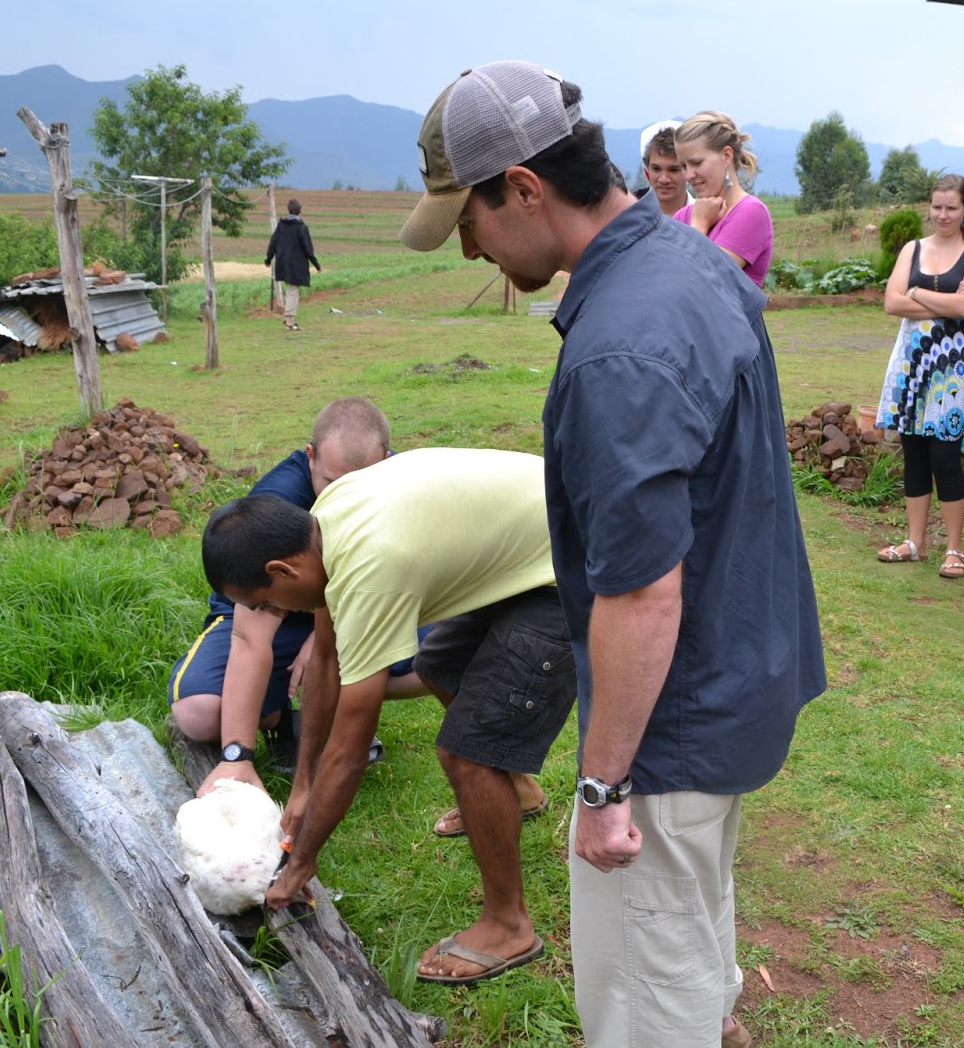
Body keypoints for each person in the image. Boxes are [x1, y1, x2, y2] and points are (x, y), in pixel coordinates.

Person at [398, 60, 825, 1048]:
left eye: (466, 220)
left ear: (523, 187)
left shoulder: (619, 345)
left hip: (670, 717)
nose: (466, 248)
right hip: (735, 677)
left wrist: (600, 788)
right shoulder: (688, 264)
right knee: (691, 916)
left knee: (641, 993)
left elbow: (639, 595)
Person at [201, 447, 574, 986]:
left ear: (283, 569)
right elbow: (325, 658)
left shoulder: (370, 571)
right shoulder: (325, 522)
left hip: (572, 565)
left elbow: (351, 752)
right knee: (439, 663)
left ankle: (508, 924)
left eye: (262, 603)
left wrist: (302, 859)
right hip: (530, 548)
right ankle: (516, 791)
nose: (265, 615)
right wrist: (302, 785)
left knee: (468, 752)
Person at [169, 398, 427, 795]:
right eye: (331, 482)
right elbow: (250, 637)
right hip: (269, 614)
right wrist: (236, 757)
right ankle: (282, 720)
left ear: (388, 460)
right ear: (310, 457)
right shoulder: (277, 501)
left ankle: (333, 719)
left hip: (355, 610)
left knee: (445, 658)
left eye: (362, 482)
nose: (347, 499)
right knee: (200, 714)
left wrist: (328, 639)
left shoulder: (409, 486)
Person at [873, 174, 964, 577]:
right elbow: (891, 303)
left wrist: (918, 293)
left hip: (952, 368)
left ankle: (955, 549)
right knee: (914, 455)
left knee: (945, 456)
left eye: (951, 208)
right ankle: (915, 542)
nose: (943, 215)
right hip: (912, 363)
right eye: (937, 207)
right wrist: (946, 301)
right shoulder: (913, 248)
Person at [672, 111, 773, 288]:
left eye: (696, 163)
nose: (688, 175)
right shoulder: (683, 215)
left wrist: (699, 225)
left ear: (726, 156)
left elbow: (707, 283)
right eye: (683, 166)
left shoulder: (751, 213)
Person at [265, 198, 321, 331]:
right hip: (296, 264)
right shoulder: (301, 227)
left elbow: (273, 243)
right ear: (300, 211)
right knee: (292, 291)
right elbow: (308, 249)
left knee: (291, 290)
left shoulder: (281, 225)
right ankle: (289, 320)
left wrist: (268, 259)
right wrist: (316, 264)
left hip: (282, 262)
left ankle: (290, 319)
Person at [638, 119, 689, 216]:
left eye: (673, 170)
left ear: (689, 170)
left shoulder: (712, 217)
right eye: (656, 169)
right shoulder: (628, 215)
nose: (664, 179)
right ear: (647, 170)